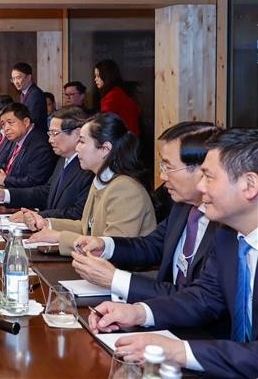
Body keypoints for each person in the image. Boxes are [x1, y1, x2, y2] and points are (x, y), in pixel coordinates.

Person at [88, 128, 258, 378]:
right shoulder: (228, 236)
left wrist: (179, 351)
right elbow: (205, 297)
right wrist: (138, 312)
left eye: (209, 177)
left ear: (249, 185)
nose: (201, 186)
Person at [71, 122, 222, 303]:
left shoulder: (226, 225)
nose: (163, 177)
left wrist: (116, 279)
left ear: (202, 170)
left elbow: (200, 298)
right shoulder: (183, 207)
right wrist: (105, 245)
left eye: (168, 167)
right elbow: (152, 245)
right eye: (162, 167)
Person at [26, 112, 156, 255]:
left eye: (82, 142)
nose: (77, 148)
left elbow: (112, 247)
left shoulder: (125, 189)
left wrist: (59, 237)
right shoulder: (100, 180)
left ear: (105, 149)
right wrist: (48, 224)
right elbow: (85, 227)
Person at [0, 106, 93, 220]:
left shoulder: (88, 167)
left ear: (77, 134)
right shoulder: (64, 159)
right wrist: (3, 194)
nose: (50, 140)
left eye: (55, 133)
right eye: (49, 134)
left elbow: (78, 213)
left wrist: (38, 216)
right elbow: (46, 192)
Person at [0, 102, 55, 188]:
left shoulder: (40, 145)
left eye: (10, 122)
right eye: (3, 124)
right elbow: (13, 170)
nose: (6, 128)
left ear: (26, 122)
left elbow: (34, 182)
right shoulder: (17, 139)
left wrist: (5, 180)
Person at [93, 59, 141, 136]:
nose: (95, 79)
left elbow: (105, 122)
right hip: (132, 138)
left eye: (98, 76)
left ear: (107, 76)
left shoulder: (112, 96)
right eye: (95, 76)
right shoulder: (121, 92)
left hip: (122, 139)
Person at [10, 62, 47, 134]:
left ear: (29, 77)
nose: (16, 82)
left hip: (36, 136)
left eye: (18, 78)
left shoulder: (35, 94)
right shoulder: (24, 93)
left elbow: (32, 119)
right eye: (13, 79)